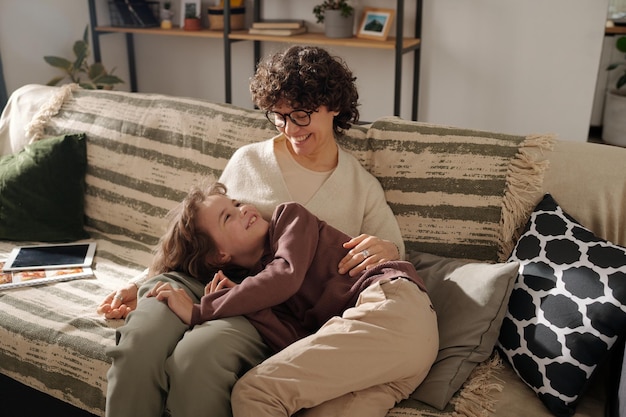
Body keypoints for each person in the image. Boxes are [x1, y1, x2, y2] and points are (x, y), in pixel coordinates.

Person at [98, 45, 406, 417]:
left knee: (198, 360)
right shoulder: (248, 160)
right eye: (278, 116)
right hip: (201, 277)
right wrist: (144, 280)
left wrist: (386, 249)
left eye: (301, 115)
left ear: (334, 105)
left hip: (264, 305)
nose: (290, 128)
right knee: (140, 344)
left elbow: (392, 255)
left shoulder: (361, 188)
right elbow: (201, 230)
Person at [148, 182, 438, 417]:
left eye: (236, 204)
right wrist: (251, 309)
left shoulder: (289, 219)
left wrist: (202, 310)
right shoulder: (255, 290)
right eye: (228, 217)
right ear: (218, 256)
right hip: (394, 363)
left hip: (390, 307)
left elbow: (285, 276)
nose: (244, 209)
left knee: (255, 394)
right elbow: (294, 344)